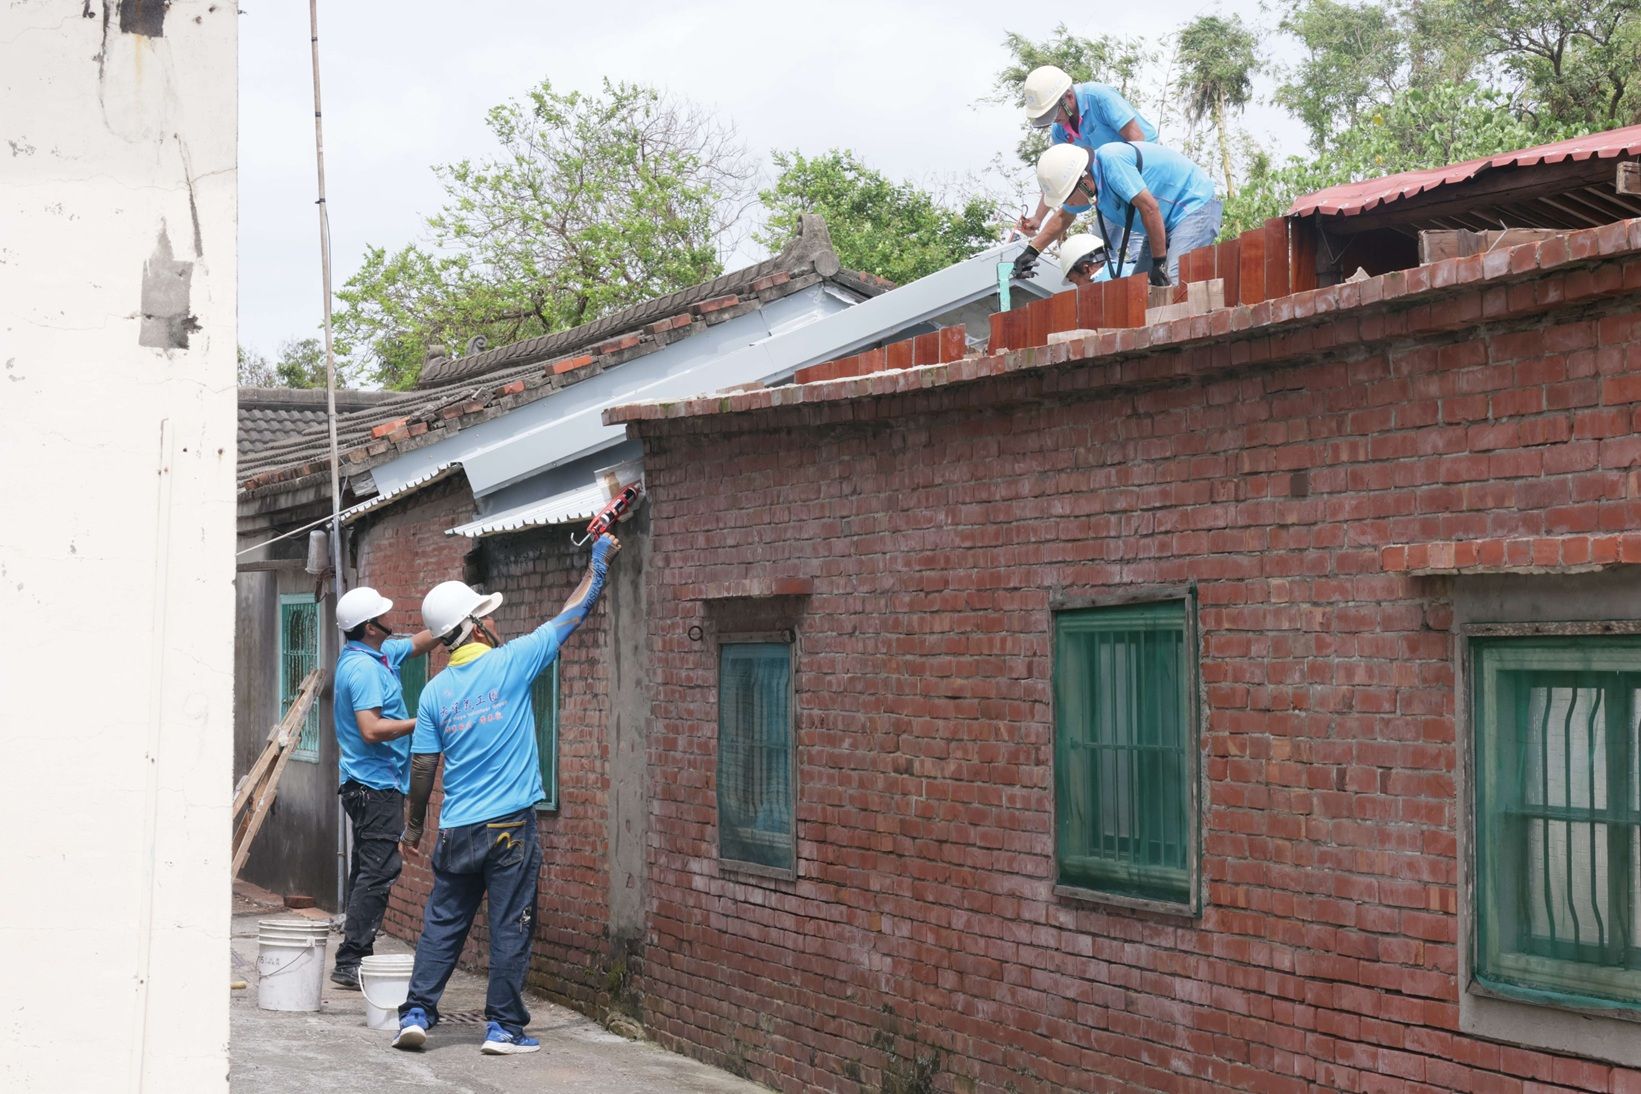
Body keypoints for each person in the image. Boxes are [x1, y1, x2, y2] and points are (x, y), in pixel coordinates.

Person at [392, 533, 621, 1056]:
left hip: (456, 831)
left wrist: (413, 828)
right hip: (509, 830)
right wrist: (599, 566)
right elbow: (570, 616)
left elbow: (424, 765)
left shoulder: (433, 693)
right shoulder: (513, 662)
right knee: (511, 923)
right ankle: (502, 1028)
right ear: (473, 627)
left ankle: (417, 1014)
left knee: (443, 924)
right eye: (487, 617)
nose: (496, 622)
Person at [329, 586, 438, 990]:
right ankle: (351, 960)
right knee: (379, 870)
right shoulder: (363, 671)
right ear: (371, 627)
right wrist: (423, 720)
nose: (391, 619)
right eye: (383, 616)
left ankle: (350, 956)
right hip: (373, 788)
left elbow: (419, 642)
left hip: (374, 785)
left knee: (367, 870)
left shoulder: (376, 655)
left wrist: (457, 619)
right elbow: (371, 730)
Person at [1014, 141, 1222, 287]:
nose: (1068, 204)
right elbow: (1063, 218)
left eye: (1068, 198)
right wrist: (1032, 252)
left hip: (1192, 208)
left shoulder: (1112, 161)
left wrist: (1159, 263)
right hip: (1161, 223)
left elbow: (1149, 208)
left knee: (1176, 278)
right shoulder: (1089, 187)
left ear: (1084, 182)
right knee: (1140, 287)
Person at [1017, 65, 1157, 240]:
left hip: (1141, 169)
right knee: (1102, 244)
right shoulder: (1060, 131)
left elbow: (1137, 139)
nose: (1054, 121)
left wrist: (1132, 188)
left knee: (1141, 229)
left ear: (1068, 97)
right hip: (1107, 184)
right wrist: (1038, 218)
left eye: (1054, 113)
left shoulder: (1099, 97)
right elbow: (1056, 175)